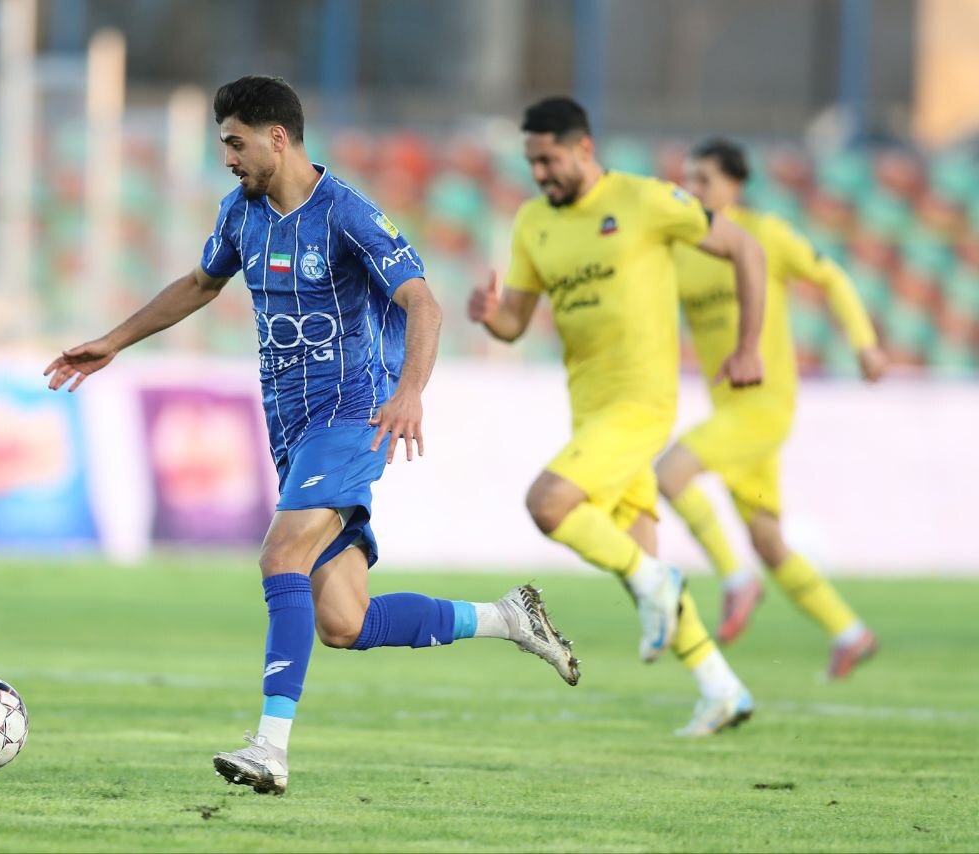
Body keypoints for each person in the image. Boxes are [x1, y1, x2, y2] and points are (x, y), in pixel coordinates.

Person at [45, 76, 579, 796]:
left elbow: (423, 303)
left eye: (235, 143)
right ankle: (507, 618)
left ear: (277, 137)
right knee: (344, 621)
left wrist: (409, 393)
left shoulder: (346, 214)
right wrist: (113, 341)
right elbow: (200, 285)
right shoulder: (241, 215)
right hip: (292, 433)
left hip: (351, 418)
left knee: (281, 556)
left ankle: (270, 747)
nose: (227, 158)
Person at [468, 97, 767, 736]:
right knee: (638, 565)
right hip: (591, 411)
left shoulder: (645, 200)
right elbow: (515, 322)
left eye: (548, 159)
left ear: (584, 148)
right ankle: (721, 687)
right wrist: (491, 316)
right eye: (531, 162)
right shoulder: (533, 223)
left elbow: (746, 249)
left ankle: (658, 580)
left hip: (642, 403)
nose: (539, 173)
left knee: (549, 503)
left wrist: (747, 346)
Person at [656, 138, 885, 678]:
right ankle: (850, 632)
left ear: (736, 185)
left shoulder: (766, 235)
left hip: (764, 408)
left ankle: (736, 579)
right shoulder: (683, 250)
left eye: (705, 179)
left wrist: (864, 343)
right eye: (688, 178)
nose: (693, 189)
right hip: (730, 413)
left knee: (669, 473)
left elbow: (832, 278)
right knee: (769, 540)